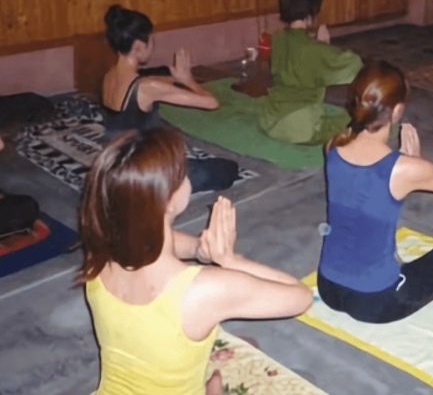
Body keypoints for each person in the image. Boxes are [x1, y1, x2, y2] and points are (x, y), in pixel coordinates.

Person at [79, 127, 312, 395]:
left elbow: (154, 240)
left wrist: (201, 249)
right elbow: (301, 297)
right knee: (238, 360)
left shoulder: (100, 249)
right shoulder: (201, 290)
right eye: (183, 172)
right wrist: (230, 260)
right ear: (168, 201)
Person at [317, 60, 433, 323]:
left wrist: (414, 166)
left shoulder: (333, 146)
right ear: (396, 112)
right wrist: (419, 162)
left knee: (365, 219)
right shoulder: (402, 168)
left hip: (328, 287)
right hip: (375, 301)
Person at [101, 4, 239, 193]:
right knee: (228, 169)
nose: (153, 46)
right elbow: (211, 103)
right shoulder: (146, 87)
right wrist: (188, 80)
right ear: (139, 46)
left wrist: (176, 79)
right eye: (151, 41)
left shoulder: (109, 76)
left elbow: (147, 83)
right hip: (144, 172)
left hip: (116, 166)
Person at [259, 0, 363, 145]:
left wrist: (319, 46)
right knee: (355, 119)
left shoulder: (277, 38)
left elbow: (299, 56)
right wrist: (324, 45)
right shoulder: (314, 49)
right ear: (310, 14)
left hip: (270, 120)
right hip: (301, 128)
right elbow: (353, 65)